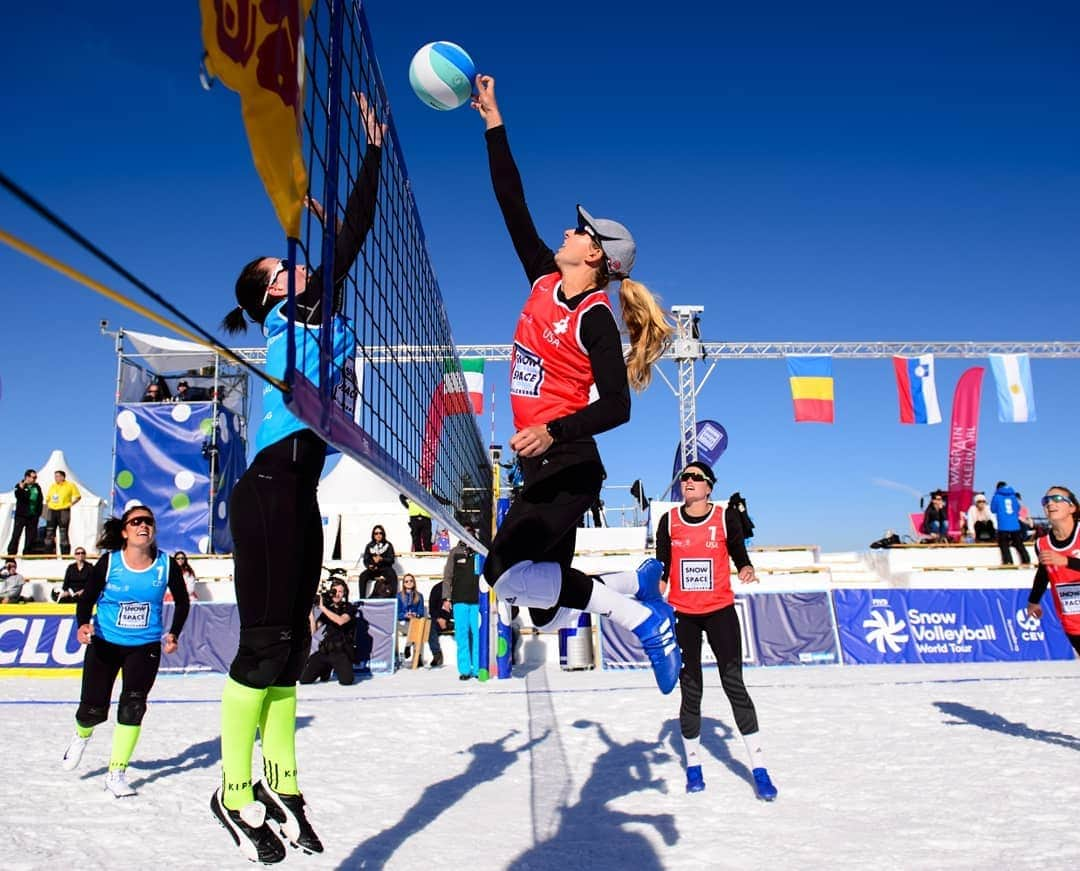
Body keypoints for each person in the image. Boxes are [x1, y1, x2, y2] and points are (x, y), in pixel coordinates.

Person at [211, 91, 383, 864]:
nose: (296, 266)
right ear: (271, 294)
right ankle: (233, 789)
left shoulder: (322, 312)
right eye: (281, 267)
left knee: (288, 649)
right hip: (269, 487)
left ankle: (282, 779)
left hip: (300, 490)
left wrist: (370, 162)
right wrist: (362, 165)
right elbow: (346, 243)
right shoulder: (298, 317)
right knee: (261, 646)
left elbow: (347, 246)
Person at [470, 74, 681, 693]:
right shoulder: (542, 280)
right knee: (540, 607)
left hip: (569, 461)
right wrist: (492, 123)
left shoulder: (594, 320)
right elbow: (512, 203)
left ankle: (640, 616)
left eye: (582, 231)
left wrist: (549, 427)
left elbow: (618, 406)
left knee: (501, 573)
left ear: (596, 258)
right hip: (541, 462)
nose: (570, 230)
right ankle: (630, 586)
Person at [655, 461, 778, 800]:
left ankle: (759, 769)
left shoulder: (724, 516)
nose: (688, 482)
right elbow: (662, 563)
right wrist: (657, 584)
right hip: (684, 615)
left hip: (720, 611)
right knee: (691, 689)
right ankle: (693, 767)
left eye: (696, 478)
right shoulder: (669, 521)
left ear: (709, 487)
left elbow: (738, 551)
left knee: (733, 683)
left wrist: (747, 567)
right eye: (684, 477)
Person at [60, 506, 189, 797]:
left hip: (144, 648)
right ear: (124, 531)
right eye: (136, 522)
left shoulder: (166, 565)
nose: (143, 526)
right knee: (93, 710)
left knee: (133, 706)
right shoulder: (110, 563)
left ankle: (116, 773)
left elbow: (182, 602)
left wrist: (174, 633)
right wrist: (82, 625)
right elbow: (87, 599)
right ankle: (82, 735)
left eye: (148, 521)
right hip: (105, 644)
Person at [1026, 486, 1080, 656]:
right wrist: (1034, 600)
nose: (1050, 503)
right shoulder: (1042, 544)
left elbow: (1062, 562)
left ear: (1072, 507)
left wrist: (1067, 561)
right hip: (1072, 618)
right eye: (1046, 501)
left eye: (1057, 499)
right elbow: (1044, 573)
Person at [299, 580, 356, 686]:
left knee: (347, 681)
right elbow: (314, 630)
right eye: (335, 591)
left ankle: (328, 668)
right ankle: (325, 668)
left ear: (344, 593)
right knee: (304, 680)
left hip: (340, 651)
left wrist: (323, 608)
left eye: (340, 591)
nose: (337, 594)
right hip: (325, 651)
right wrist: (310, 612)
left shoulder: (349, 607)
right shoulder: (328, 609)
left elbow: (340, 621)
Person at [444, 528, 481, 680]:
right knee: (462, 635)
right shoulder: (455, 552)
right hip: (459, 600)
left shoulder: (480, 551)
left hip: (477, 600)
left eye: (470, 533)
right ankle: (465, 669)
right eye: (464, 533)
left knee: (477, 635)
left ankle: (478, 668)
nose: (468, 536)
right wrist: (447, 598)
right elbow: (447, 577)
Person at [991, 481, 1031, 565]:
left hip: (1003, 525)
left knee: (1004, 544)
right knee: (1019, 543)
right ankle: (1026, 559)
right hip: (1014, 524)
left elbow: (993, 509)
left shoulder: (997, 496)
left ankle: (1008, 561)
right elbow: (1018, 508)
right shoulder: (1013, 496)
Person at [43, 470, 81, 556]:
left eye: (57, 476)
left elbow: (78, 496)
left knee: (63, 533)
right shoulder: (52, 486)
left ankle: (65, 554)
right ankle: (47, 554)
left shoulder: (70, 485)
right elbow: (48, 497)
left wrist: (70, 504)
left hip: (63, 510)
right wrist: (49, 503)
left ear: (63, 477)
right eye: (55, 476)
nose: (56, 478)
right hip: (52, 511)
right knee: (49, 532)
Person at [8, 469, 44, 555]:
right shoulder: (19, 485)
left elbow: (40, 500)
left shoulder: (37, 487)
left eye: (36, 477)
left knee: (31, 536)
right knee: (16, 534)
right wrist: (21, 488)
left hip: (33, 515)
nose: (35, 479)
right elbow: (18, 496)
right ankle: (11, 553)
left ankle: (28, 553)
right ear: (27, 477)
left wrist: (38, 513)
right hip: (21, 515)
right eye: (33, 477)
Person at [396, 573, 427, 665]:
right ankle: (417, 656)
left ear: (414, 582)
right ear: (403, 584)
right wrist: (405, 615)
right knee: (414, 629)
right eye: (406, 581)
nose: (409, 583)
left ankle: (409, 647)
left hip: (414, 622)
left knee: (417, 627)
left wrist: (415, 615)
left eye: (411, 581)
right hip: (402, 622)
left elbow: (421, 612)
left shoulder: (419, 595)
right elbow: (397, 613)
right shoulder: (398, 596)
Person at [357, 524, 397, 596]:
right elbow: (366, 560)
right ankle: (362, 598)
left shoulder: (388, 545)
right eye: (376, 533)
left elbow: (391, 559)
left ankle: (393, 597)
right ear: (373, 535)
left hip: (385, 569)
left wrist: (382, 559)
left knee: (392, 574)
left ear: (383, 534)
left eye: (380, 533)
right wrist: (370, 565)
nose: (378, 535)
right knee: (363, 576)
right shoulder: (369, 545)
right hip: (374, 569)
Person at [427, 575, 451, 668]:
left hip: (457, 619)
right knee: (430, 624)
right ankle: (436, 654)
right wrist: (439, 618)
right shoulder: (437, 588)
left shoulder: (460, 588)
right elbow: (432, 609)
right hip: (439, 619)